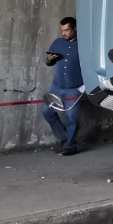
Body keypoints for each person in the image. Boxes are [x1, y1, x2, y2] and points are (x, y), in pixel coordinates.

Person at [41, 17, 83, 156]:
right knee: (47, 111)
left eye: (67, 30)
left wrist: (85, 87)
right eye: (62, 30)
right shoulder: (57, 43)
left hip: (74, 88)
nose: (64, 33)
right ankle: (64, 137)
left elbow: (90, 66)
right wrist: (49, 59)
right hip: (57, 86)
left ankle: (70, 145)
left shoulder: (84, 45)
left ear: (75, 29)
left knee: (72, 117)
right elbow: (48, 62)